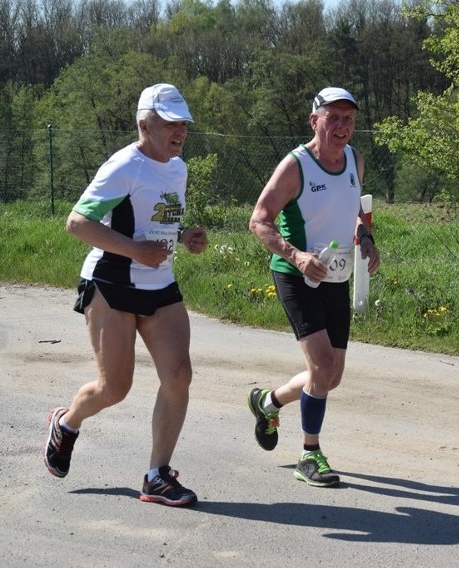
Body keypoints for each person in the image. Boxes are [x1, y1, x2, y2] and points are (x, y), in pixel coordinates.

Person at [44, 83, 207, 507]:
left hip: (160, 285)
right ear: (144, 123)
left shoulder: (177, 168)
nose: (180, 132)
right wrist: (135, 250)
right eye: (170, 123)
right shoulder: (124, 166)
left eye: (183, 124)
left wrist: (183, 236)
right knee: (114, 387)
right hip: (112, 284)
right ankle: (67, 422)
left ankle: (157, 475)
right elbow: (78, 222)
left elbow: (155, 220)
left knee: (179, 375)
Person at [247, 87, 380, 487]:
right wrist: (297, 256)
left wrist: (367, 239)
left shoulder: (355, 160)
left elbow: (354, 210)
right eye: (334, 118)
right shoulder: (296, 167)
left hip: (336, 277)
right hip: (297, 275)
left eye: (349, 119)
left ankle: (268, 403)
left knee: (329, 376)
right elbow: (259, 220)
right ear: (314, 121)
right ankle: (310, 454)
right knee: (321, 367)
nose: (342, 127)